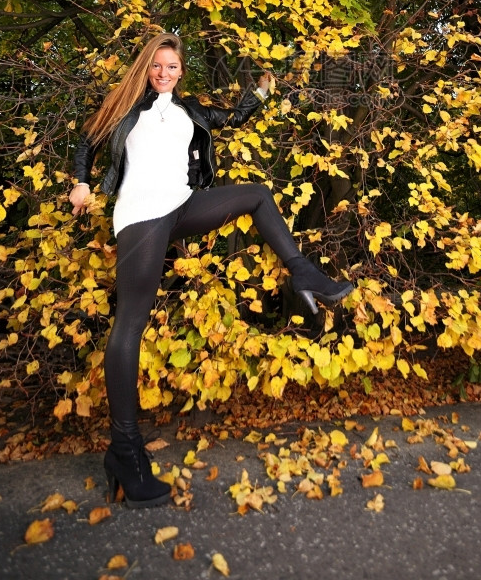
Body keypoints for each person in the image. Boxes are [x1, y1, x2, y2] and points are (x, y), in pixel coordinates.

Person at [69, 32, 353, 508]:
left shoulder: (189, 111)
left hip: (182, 205)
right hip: (142, 214)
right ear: (147, 67)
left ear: (182, 71)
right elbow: (87, 143)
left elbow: (235, 117)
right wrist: (81, 183)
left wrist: (261, 91)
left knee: (257, 194)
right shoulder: (125, 108)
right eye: (158, 66)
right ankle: (124, 450)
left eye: (173, 67)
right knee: (131, 323)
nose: (165, 73)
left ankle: (301, 273)